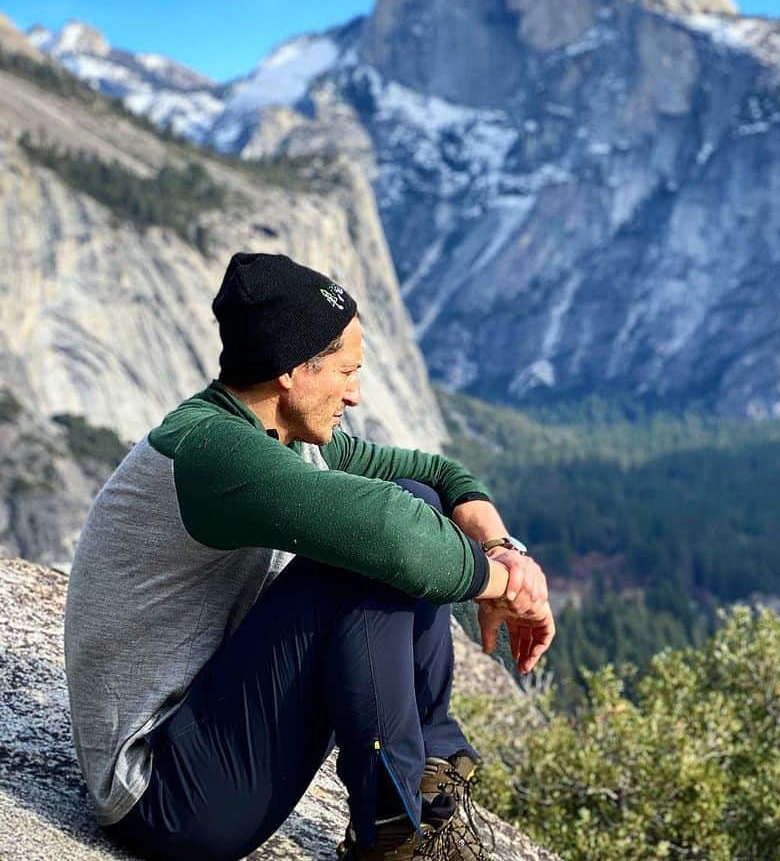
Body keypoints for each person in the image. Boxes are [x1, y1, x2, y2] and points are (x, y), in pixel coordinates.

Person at [63, 252, 555, 861]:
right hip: (165, 795)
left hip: (209, 742)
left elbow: (437, 475)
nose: (355, 393)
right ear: (293, 371)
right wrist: (502, 584)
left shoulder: (277, 435)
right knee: (365, 555)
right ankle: (392, 830)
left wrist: (501, 547)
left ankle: (429, 779)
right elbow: (391, 536)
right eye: (346, 372)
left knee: (416, 500)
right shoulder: (214, 453)